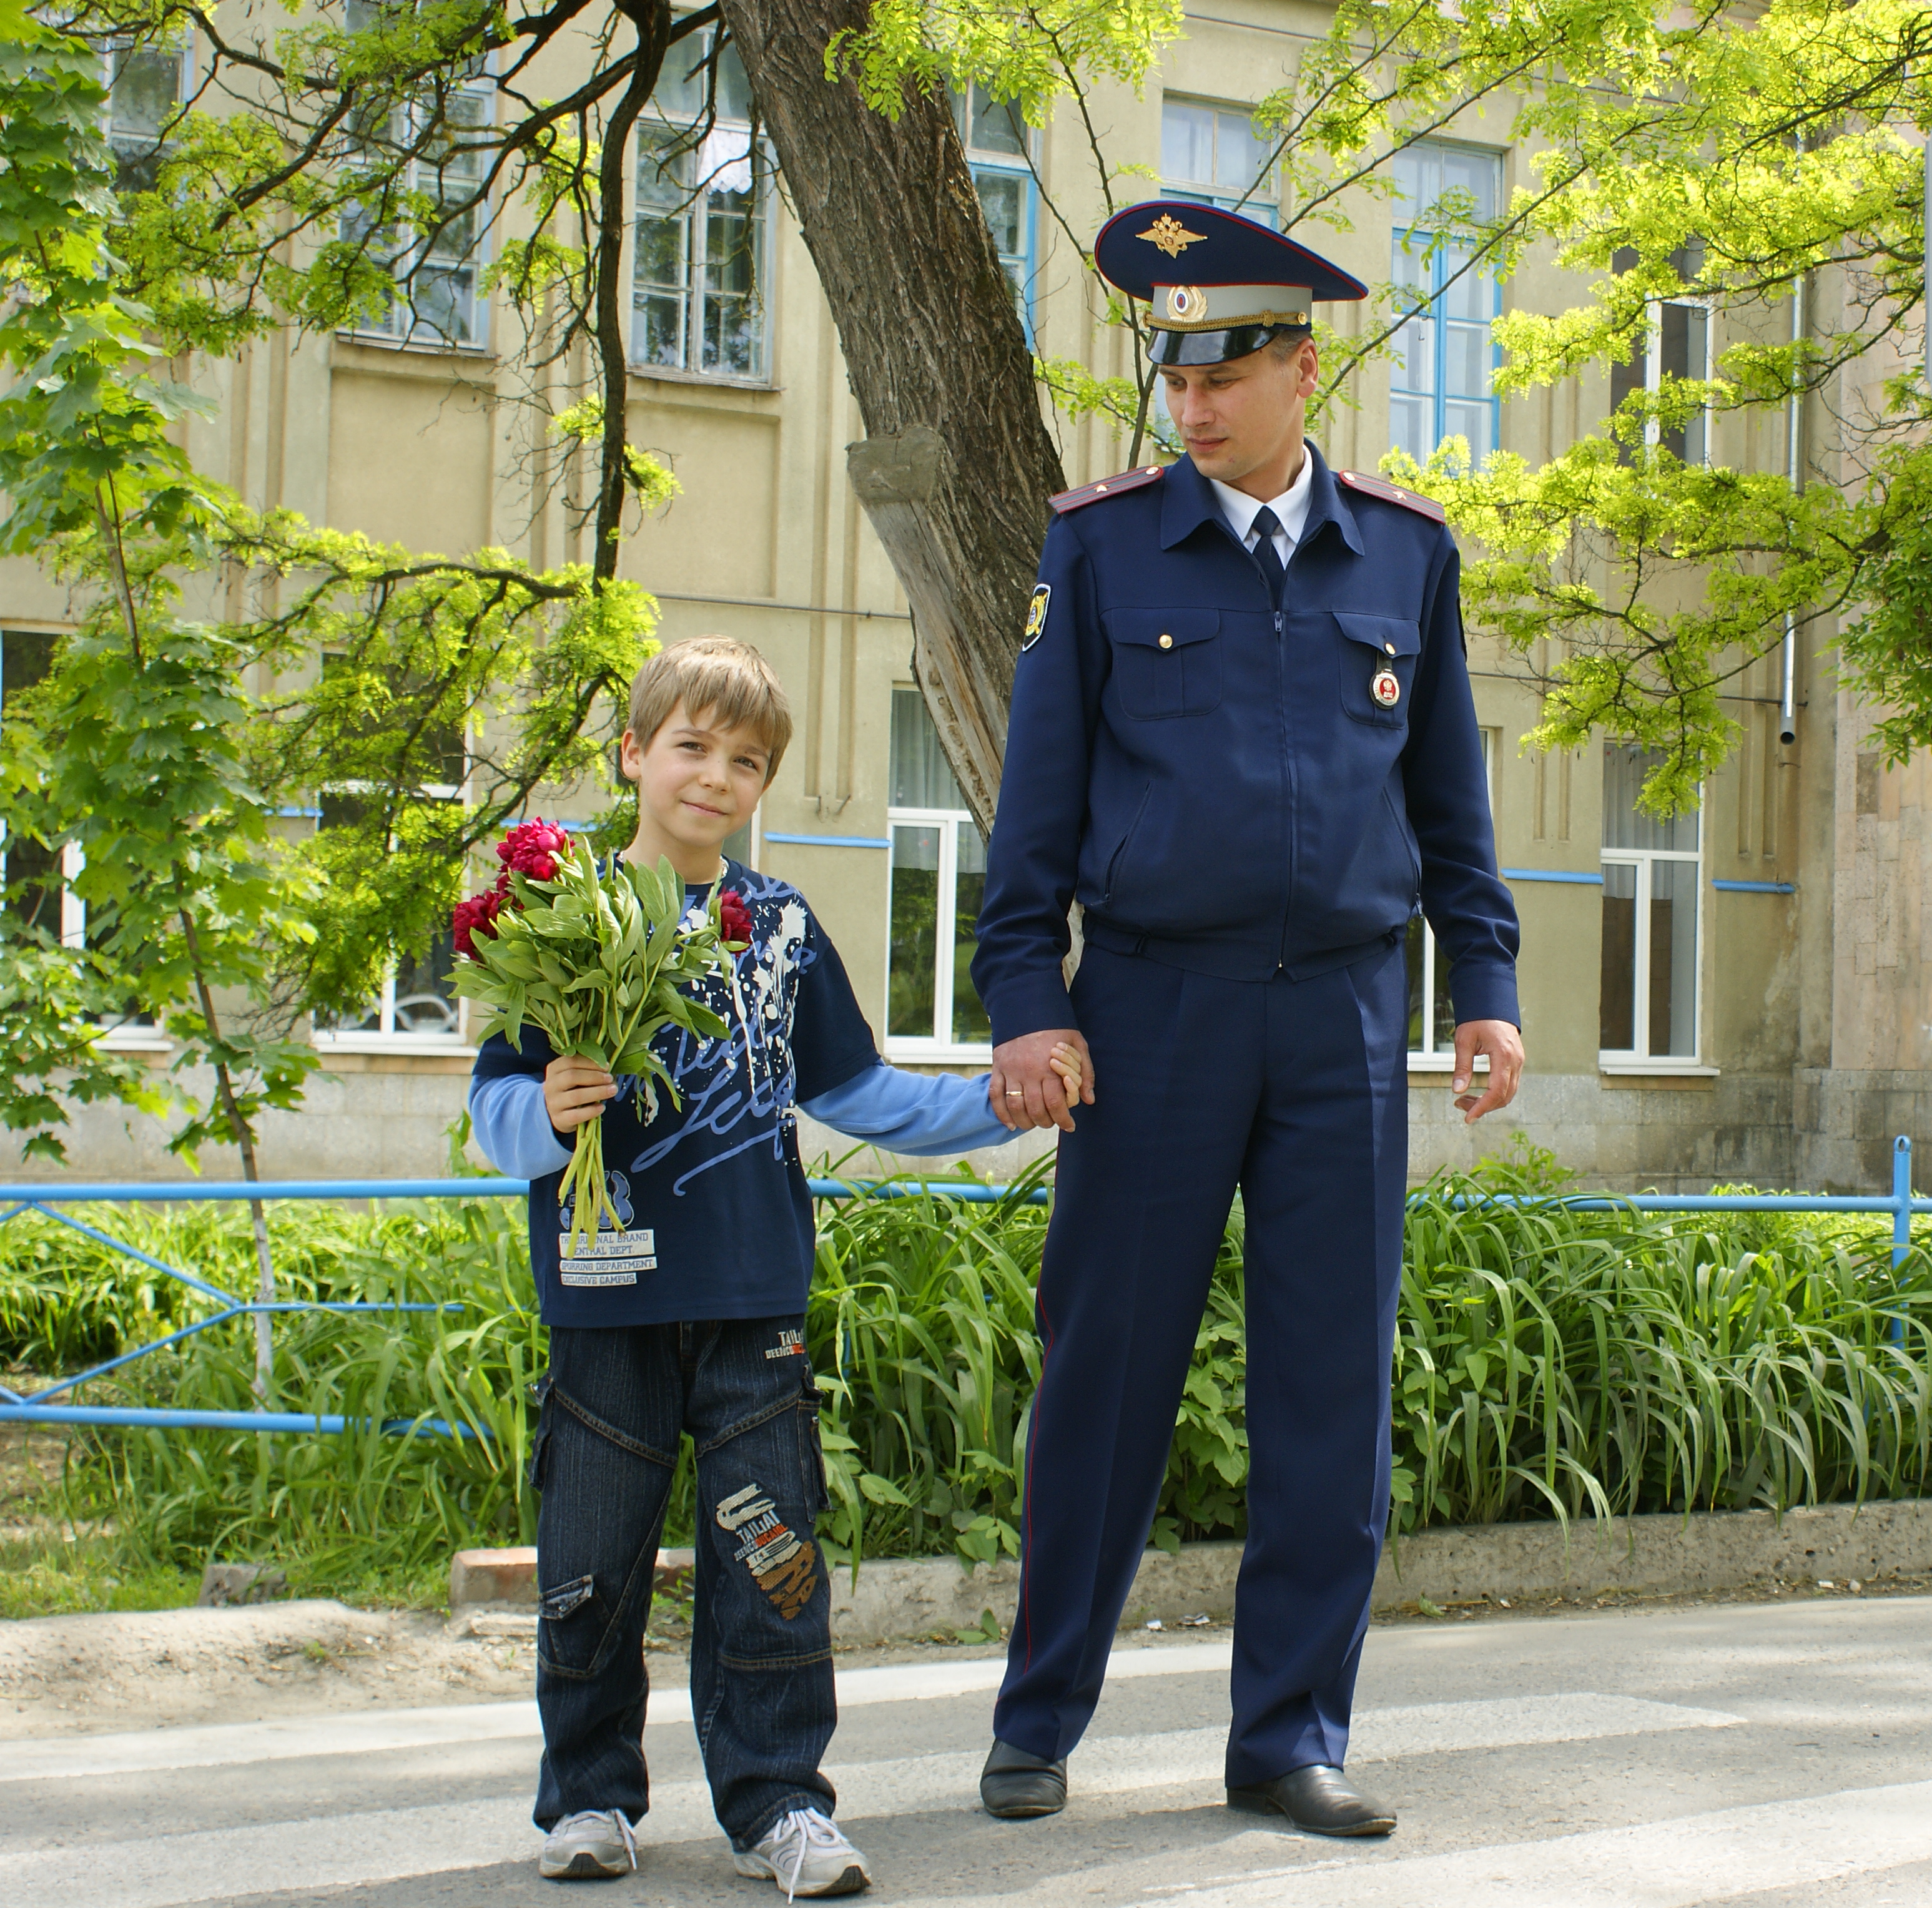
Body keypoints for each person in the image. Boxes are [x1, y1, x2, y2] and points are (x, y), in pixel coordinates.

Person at [968, 200, 1527, 1840]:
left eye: (1222, 373)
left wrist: (1481, 989)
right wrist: (1024, 1004)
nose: (1190, 405)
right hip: (1148, 1014)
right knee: (1106, 1378)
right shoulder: (1104, 547)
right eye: (1170, 374)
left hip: (1346, 1022)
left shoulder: (1406, 560)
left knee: (1329, 1395)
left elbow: (1454, 812)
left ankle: (1288, 1737)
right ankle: (1038, 1717)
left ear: (1301, 368)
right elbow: (1035, 818)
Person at [466, 637, 1074, 1897]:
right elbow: (493, 1111)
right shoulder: (563, 917)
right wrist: (553, 1112)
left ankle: (780, 1801)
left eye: (745, 760)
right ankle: (586, 1797)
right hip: (604, 1296)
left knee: (774, 1565)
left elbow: (860, 1093)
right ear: (634, 752)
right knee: (588, 1567)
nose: (715, 777)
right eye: (690, 747)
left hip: (753, 1303)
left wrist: (1003, 1104)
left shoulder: (780, 929)